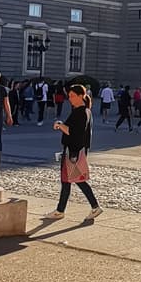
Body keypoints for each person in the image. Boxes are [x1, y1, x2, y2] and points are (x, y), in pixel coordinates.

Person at [45, 84, 102, 221]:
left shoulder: (81, 112)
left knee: (73, 181)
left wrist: (60, 125)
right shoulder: (83, 110)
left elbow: (73, 132)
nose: (69, 99)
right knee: (70, 181)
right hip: (75, 150)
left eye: (72, 96)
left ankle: (93, 207)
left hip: (74, 151)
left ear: (80, 96)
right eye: (69, 96)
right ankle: (61, 210)